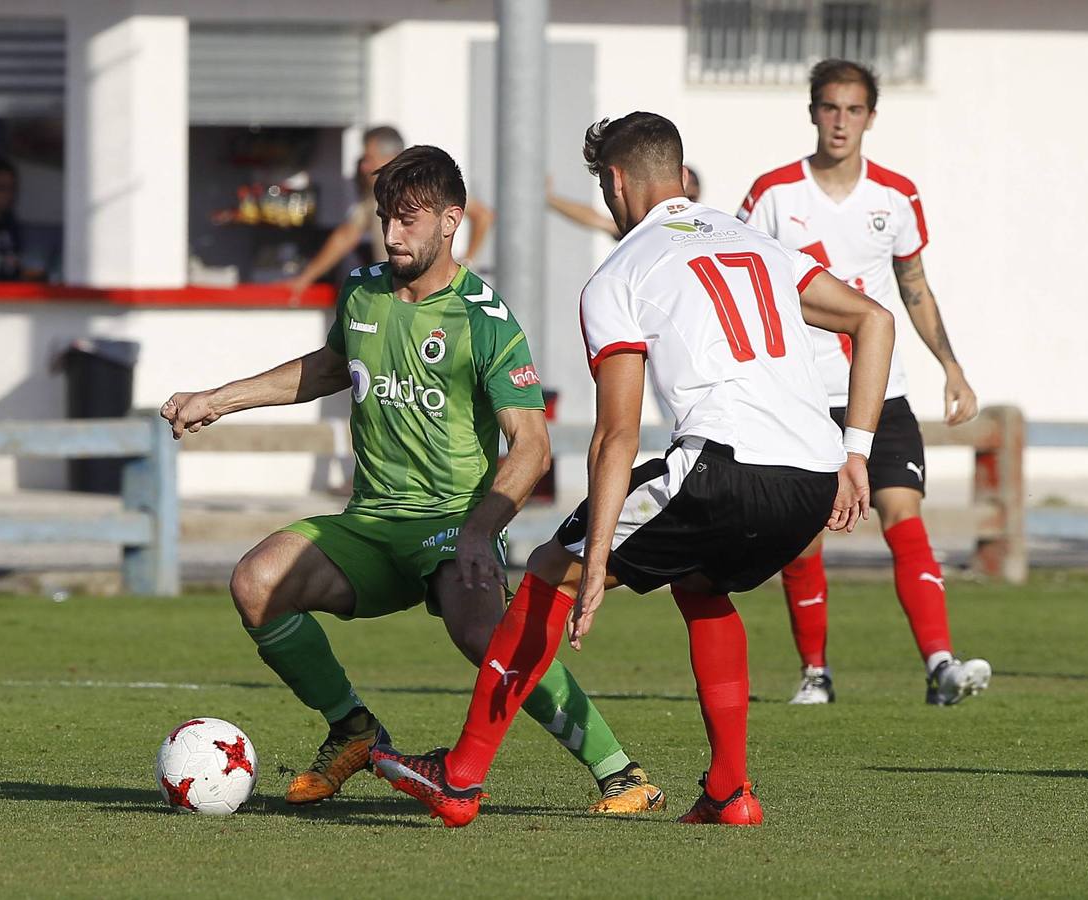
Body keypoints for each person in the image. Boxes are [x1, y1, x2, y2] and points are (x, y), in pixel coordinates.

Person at [371, 111, 895, 827]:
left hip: (723, 465)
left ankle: (459, 778)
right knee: (702, 584)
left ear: (614, 182)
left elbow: (615, 436)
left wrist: (590, 566)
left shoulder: (620, 270)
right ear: (678, 174)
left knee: (551, 569)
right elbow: (874, 320)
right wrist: (857, 450)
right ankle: (729, 792)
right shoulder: (761, 245)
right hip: (811, 481)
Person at [161, 146, 662, 814]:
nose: (392, 234)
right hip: (368, 525)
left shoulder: (482, 318)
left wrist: (481, 532)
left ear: (451, 220)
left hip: (453, 524)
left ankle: (620, 772)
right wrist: (219, 398)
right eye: (384, 219)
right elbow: (329, 367)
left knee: (487, 636)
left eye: (408, 219)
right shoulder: (364, 290)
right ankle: (352, 729)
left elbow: (531, 446)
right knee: (257, 582)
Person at [738, 59, 991, 706]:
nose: (839, 121)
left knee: (902, 515)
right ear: (812, 112)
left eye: (852, 110)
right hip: (799, 394)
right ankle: (814, 673)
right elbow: (742, 291)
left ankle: (939, 664)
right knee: (802, 538)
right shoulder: (771, 195)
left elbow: (913, 287)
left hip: (881, 392)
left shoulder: (895, 196)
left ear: (870, 117)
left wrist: (951, 366)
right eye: (828, 107)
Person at [285, 126, 493, 298]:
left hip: (433, 293)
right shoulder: (377, 194)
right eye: (385, 219)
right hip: (398, 291)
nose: (364, 166)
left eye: (369, 158)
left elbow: (483, 216)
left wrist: (467, 262)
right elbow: (347, 235)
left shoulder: (422, 189)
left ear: (390, 156)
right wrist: (306, 279)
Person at [547, 165, 701, 238]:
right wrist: (551, 200)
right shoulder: (645, 225)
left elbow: (598, 221)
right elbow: (598, 221)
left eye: (689, 197)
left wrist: (550, 200)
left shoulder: (702, 227)